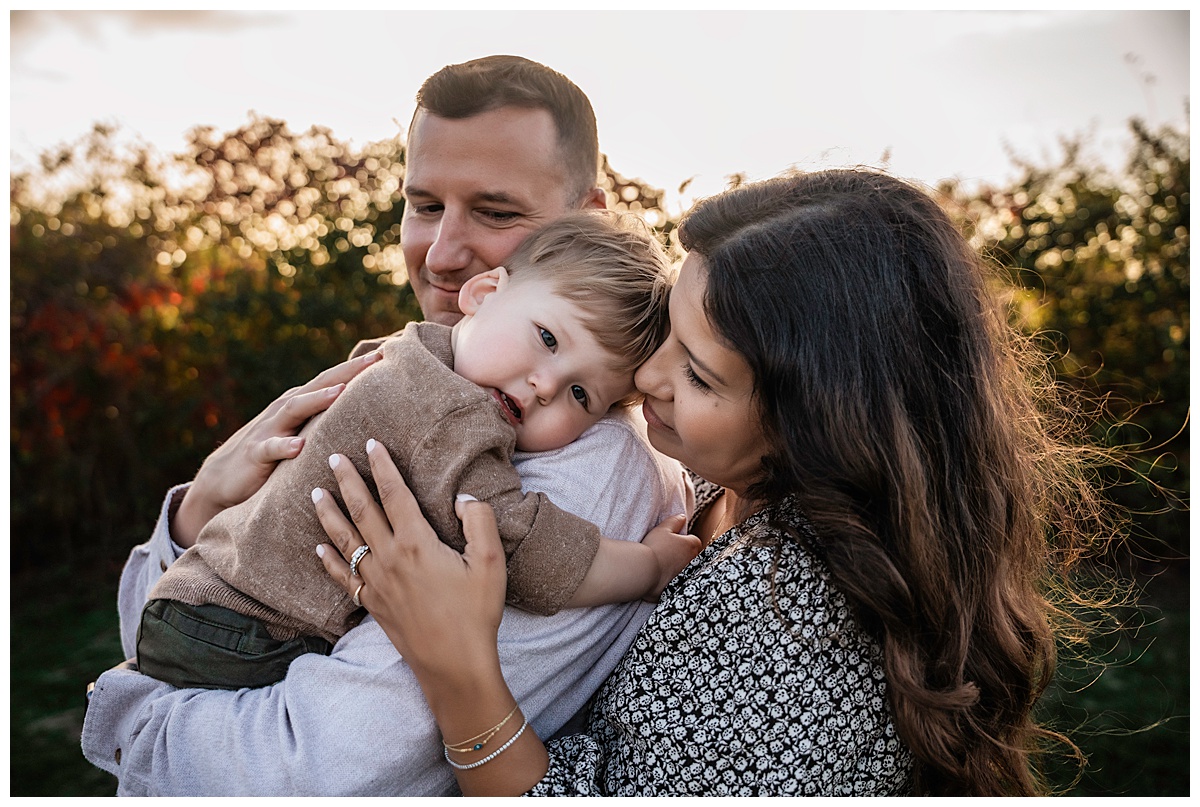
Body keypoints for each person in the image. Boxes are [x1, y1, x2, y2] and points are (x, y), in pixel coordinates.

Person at [316, 169, 1115, 796]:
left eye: (697, 375)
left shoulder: (790, 614)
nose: (649, 376)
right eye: (670, 328)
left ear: (817, 427)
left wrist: (458, 668)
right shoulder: (712, 493)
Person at [82, 55, 691, 795]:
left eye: (496, 211)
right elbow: (160, 618)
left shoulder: (585, 464)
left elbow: (312, 776)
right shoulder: (400, 368)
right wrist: (203, 503)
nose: (440, 254)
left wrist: (131, 715)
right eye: (425, 204)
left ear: (586, 221)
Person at [135, 212, 696, 691]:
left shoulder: (403, 354)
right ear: (482, 295)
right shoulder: (453, 416)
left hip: (198, 594)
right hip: (244, 627)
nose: (546, 385)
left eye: (581, 393)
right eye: (548, 338)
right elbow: (515, 548)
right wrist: (647, 568)